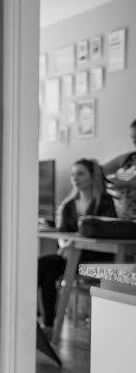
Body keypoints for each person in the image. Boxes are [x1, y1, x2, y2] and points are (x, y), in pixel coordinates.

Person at [37, 158, 116, 339]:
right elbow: (63, 234)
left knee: (47, 265)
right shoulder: (68, 205)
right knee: (45, 267)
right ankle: (48, 324)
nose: (75, 178)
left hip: (95, 259)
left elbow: (107, 231)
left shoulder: (104, 202)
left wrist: (73, 243)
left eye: (80, 173)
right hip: (70, 256)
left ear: (92, 177)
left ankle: (47, 323)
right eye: (73, 174)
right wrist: (66, 244)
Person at [102, 117, 136, 221]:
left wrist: (129, 183)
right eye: (132, 137)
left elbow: (128, 181)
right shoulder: (129, 159)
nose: (134, 141)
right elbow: (98, 171)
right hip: (124, 220)